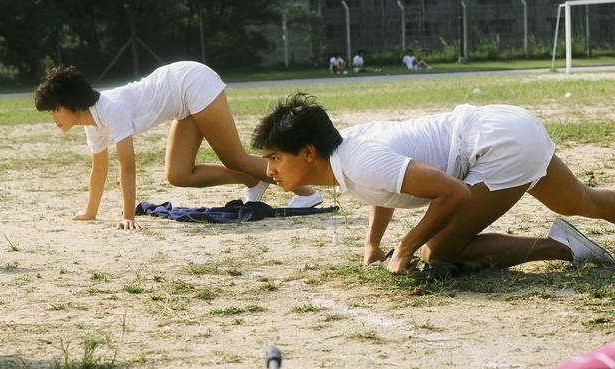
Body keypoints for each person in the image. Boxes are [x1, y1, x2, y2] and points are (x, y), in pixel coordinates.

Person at [251, 93, 615, 275]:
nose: (269, 171)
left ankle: (565, 247)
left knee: (436, 252)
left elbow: (453, 193)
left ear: (308, 152)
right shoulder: (346, 152)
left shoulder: (359, 161)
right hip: (504, 126)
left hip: (499, 143)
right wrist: (372, 243)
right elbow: (385, 186)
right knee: (580, 202)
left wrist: (405, 248)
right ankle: (568, 240)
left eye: (274, 159)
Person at [33, 62, 323, 230]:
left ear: (72, 105)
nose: (53, 117)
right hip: (181, 103)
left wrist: (127, 217)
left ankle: (307, 193)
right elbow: (99, 169)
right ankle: (251, 178)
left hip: (192, 83)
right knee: (178, 174)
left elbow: (128, 166)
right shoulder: (93, 122)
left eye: (54, 110)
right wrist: (90, 212)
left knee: (234, 156)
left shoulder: (112, 109)